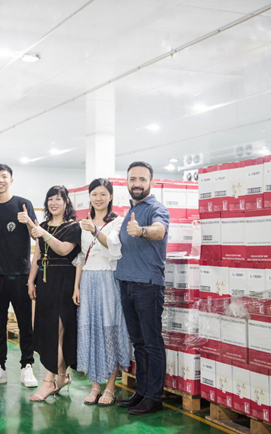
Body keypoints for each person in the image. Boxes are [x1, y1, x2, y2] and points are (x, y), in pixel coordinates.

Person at [115, 161, 170, 415]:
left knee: (151, 342)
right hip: (127, 283)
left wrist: (142, 231)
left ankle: (153, 396)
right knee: (138, 343)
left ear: (151, 182)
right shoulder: (131, 210)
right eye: (132, 179)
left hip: (147, 285)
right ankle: (142, 391)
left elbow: (159, 231)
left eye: (142, 179)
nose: (137, 183)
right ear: (127, 182)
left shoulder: (156, 208)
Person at [72, 178, 130, 406]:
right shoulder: (83, 224)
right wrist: (76, 286)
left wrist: (95, 230)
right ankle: (94, 385)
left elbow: (115, 248)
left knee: (109, 329)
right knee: (90, 329)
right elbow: (80, 258)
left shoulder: (118, 222)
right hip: (88, 280)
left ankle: (110, 387)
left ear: (111, 197)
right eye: (95, 194)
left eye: (103, 194)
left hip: (108, 279)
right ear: (89, 196)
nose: (98, 198)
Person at [0, 164, 39, 388]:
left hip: (21, 275)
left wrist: (28, 221)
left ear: (11, 180)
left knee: (25, 324)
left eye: (4, 176)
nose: (0, 180)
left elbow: (37, 236)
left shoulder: (23, 204)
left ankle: (27, 365)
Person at [27, 185, 81, 402]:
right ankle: (62, 376)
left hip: (64, 282)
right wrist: (31, 281)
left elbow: (64, 249)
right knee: (46, 331)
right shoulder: (43, 226)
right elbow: (38, 256)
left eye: (58, 199)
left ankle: (48, 381)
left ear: (66, 202)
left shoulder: (73, 227)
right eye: (50, 199)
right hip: (45, 281)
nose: (53, 203)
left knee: (58, 331)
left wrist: (44, 234)